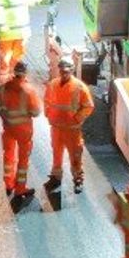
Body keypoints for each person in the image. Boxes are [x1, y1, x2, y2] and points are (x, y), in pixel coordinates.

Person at [43, 57, 95, 197]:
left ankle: (78, 179)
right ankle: (56, 177)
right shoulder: (53, 84)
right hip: (56, 128)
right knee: (56, 154)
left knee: (75, 156)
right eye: (61, 71)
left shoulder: (79, 87)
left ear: (71, 70)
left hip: (72, 130)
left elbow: (88, 106)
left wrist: (77, 118)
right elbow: (47, 100)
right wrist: (48, 114)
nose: (63, 74)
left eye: (66, 71)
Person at [0, 59, 44, 200]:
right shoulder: (29, 90)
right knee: (23, 160)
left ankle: (8, 184)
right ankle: (20, 189)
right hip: (24, 131)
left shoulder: (2, 88)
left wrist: (6, 118)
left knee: (8, 156)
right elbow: (36, 112)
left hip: (8, 128)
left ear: (14, 72)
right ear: (25, 74)